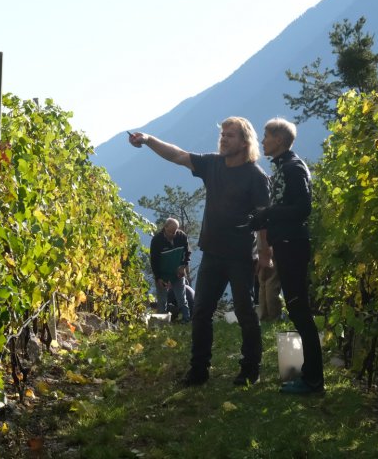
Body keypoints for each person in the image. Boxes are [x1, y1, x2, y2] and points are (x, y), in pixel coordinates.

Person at [129, 117, 271, 387]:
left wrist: (265, 254)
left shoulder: (256, 177)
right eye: (222, 134)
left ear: (244, 141)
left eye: (230, 135)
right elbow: (178, 154)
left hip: (241, 256)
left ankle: (251, 368)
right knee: (201, 312)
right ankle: (199, 369)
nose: (224, 138)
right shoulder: (212, 164)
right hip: (212, 254)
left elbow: (264, 219)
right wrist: (148, 139)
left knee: (245, 313)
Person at [251, 117, 324, 394]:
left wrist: (268, 214)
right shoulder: (282, 168)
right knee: (297, 310)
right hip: (286, 243)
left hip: (294, 246)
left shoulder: (293, 168)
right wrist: (262, 221)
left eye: (266, 136)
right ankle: (309, 375)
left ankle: (314, 381)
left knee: (300, 310)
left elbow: (303, 208)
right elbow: (285, 208)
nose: (262, 141)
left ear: (279, 140)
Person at [150, 218, 194, 323]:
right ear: (165, 227)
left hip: (177, 273)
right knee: (162, 300)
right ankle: (162, 322)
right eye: (170, 231)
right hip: (163, 274)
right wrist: (158, 277)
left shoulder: (181, 236)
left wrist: (183, 266)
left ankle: (186, 320)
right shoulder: (157, 240)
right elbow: (154, 260)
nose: (172, 234)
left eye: (175, 232)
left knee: (181, 298)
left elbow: (187, 253)